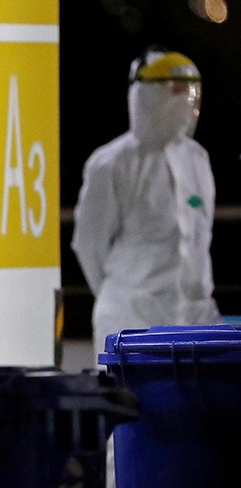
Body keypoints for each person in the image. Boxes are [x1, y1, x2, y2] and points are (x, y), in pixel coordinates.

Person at [72, 46, 220, 352]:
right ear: (148, 96)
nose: (184, 103)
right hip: (131, 324)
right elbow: (89, 245)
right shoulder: (111, 164)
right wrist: (125, 295)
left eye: (189, 93)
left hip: (195, 322)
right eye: (175, 92)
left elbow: (198, 240)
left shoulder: (196, 159)